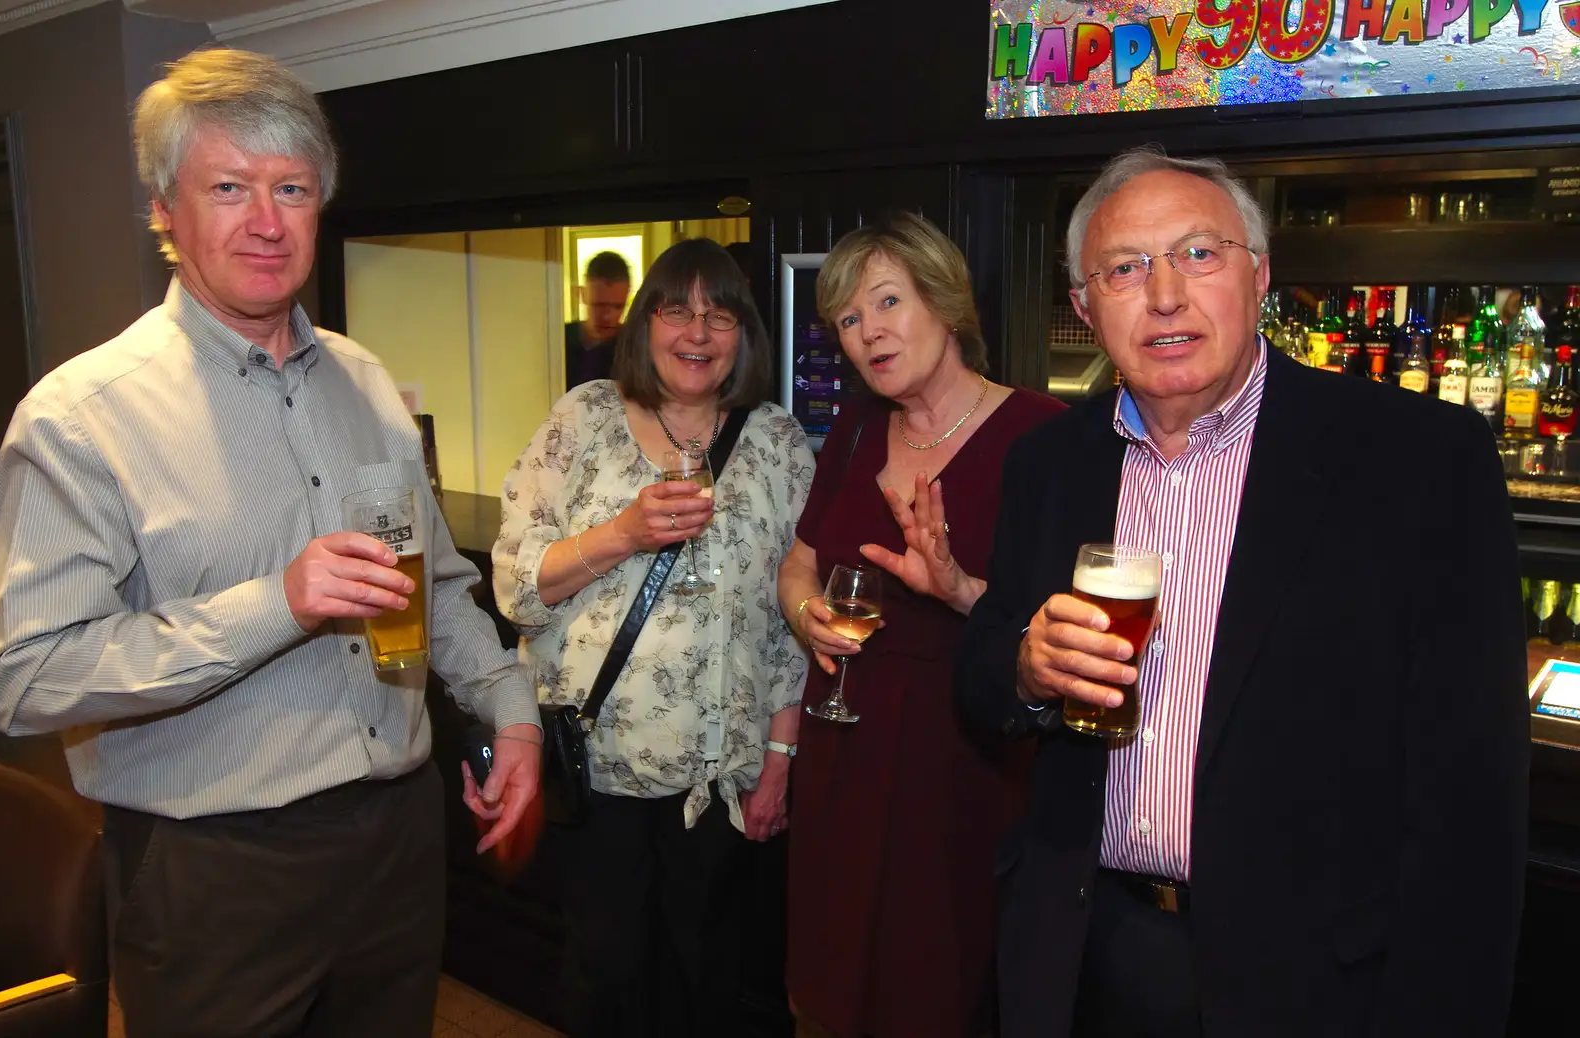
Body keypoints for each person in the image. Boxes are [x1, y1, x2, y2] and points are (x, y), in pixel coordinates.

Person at [0, 48, 541, 1038]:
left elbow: (436, 587)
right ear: (164, 210)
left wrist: (514, 713)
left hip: (398, 844)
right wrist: (275, 603)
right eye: (229, 188)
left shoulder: (368, 382)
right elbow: (24, 677)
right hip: (215, 873)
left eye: (292, 188)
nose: (268, 222)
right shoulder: (80, 418)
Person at [958, 148, 1529, 1038]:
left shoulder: (1417, 462)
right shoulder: (1048, 461)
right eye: (1124, 268)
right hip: (1081, 953)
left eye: (1198, 253)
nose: (1164, 295)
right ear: (1083, 305)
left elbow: (1471, 800)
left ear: (1259, 274)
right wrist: (1026, 667)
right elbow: (984, 670)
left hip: (1308, 980)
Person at [492, 237, 814, 1038]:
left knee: (710, 987)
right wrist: (622, 535)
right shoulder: (585, 417)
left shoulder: (775, 442)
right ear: (646, 324)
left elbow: (790, 623)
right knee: (608, 983)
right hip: (600, 768)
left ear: (745, 335)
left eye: (721, 314)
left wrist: (780, 760)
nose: (698, 333)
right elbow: (515, 587)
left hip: (721, 781)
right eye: (677, 310)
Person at [779, 212, 1064, 1038]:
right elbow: (796, 565)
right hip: (842, 746)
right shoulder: (858, 430)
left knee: (936, 984)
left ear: (942, 300)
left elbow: (1061, 631)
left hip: (963, 762)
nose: (868, 332)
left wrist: (959, 589)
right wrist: (807, 616)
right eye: (848, 319)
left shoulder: (1042, 437)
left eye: (887, 303)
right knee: (833, 991)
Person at [565, 249, 631, 390]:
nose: (607, 316)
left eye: (618, 306)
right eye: (599, 305)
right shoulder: (559, 340)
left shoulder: (634, 348)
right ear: (582, 294)